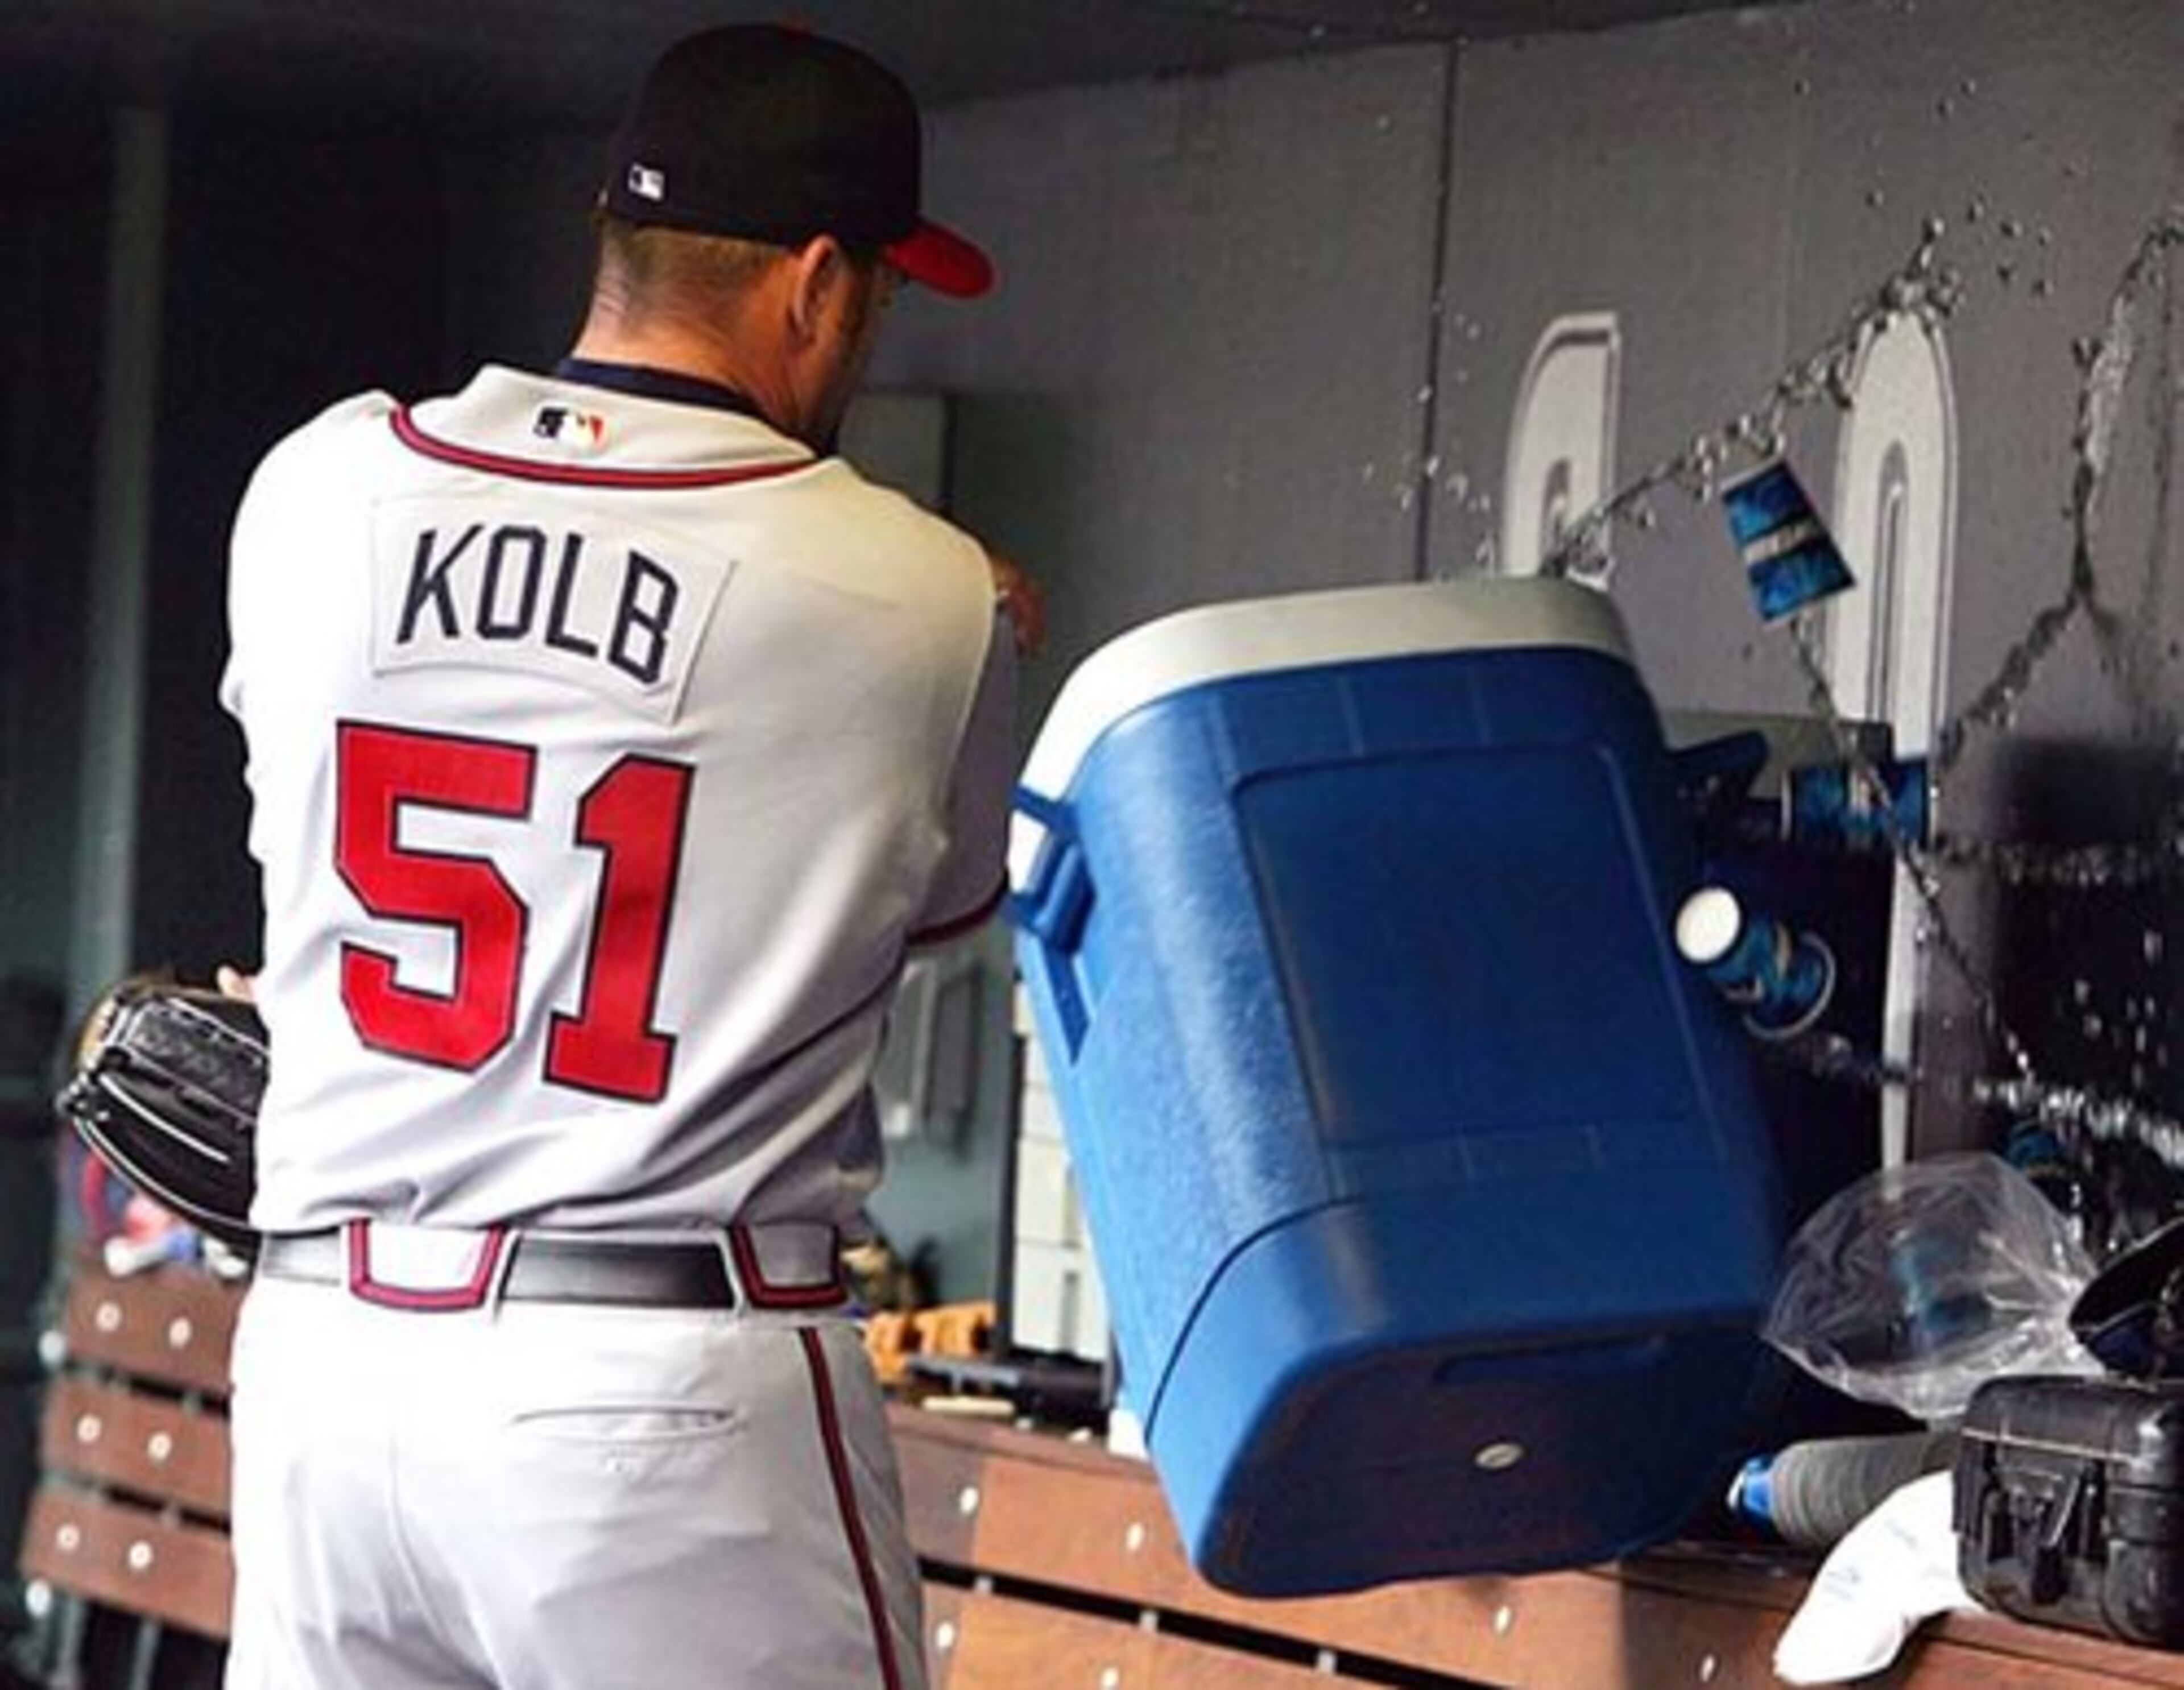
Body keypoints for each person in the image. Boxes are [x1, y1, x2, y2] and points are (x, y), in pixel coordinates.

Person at [216, 25, 1027, 1689]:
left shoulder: (316, 488)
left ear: (615, 233)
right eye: (878, 290)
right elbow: (940, 913)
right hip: (655, 1389)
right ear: (816, 283)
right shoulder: (915, 589)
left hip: (326, 1368)